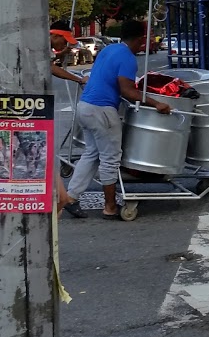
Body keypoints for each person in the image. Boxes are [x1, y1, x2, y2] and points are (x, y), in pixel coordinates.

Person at [63, 18, 172, 221]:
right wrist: (157, 103)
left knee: (91, 153)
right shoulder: (128, 58)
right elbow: (127, 90)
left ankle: (70, 197)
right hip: (102, 111)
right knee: (110, 159)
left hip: (85, 107)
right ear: (140, 38)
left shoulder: (108, 50)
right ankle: (110, 207)